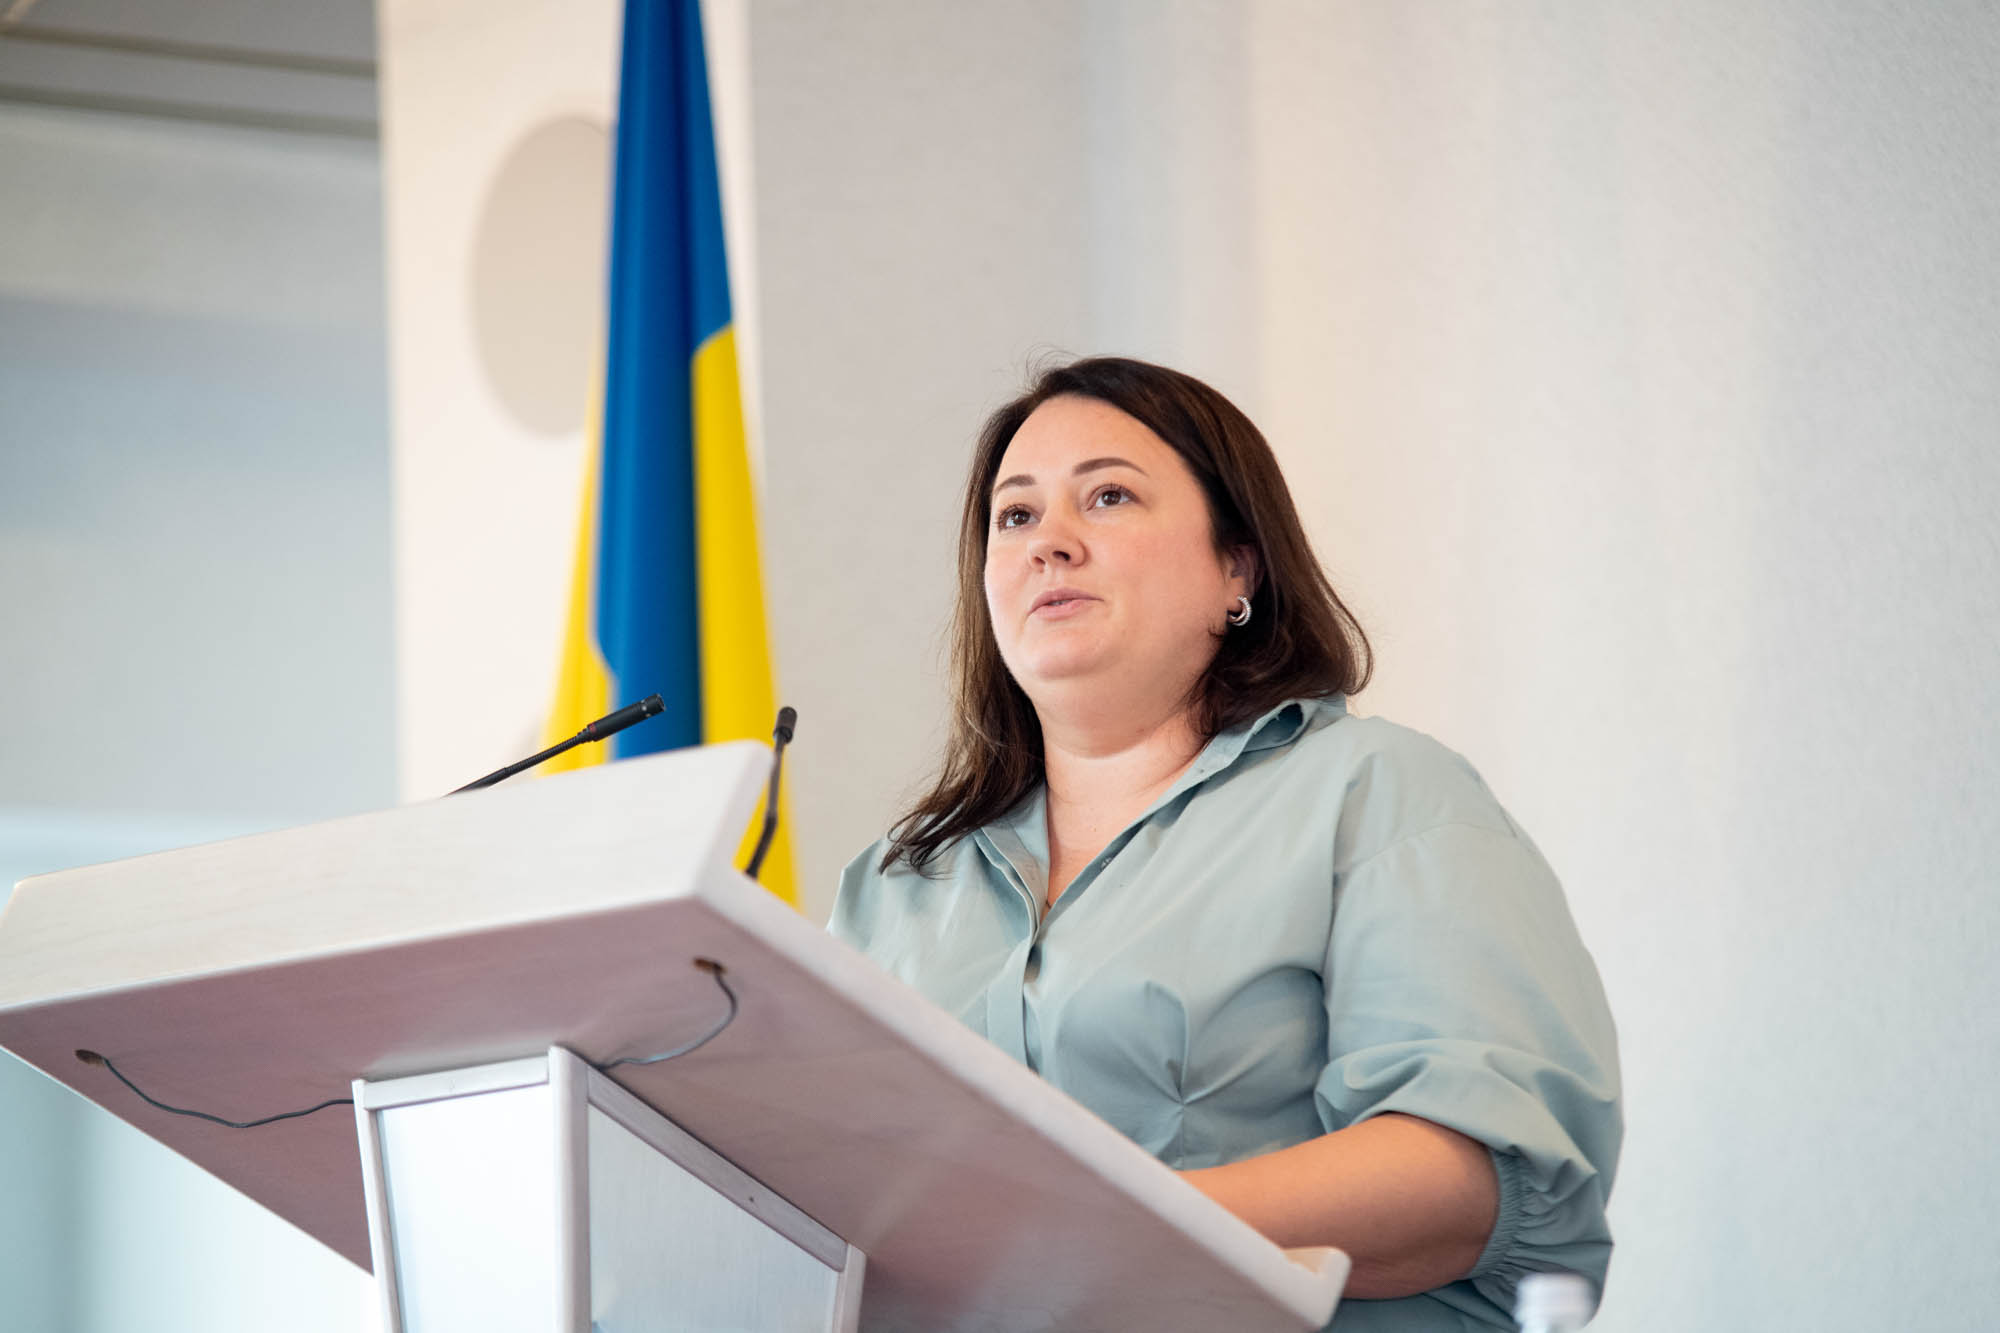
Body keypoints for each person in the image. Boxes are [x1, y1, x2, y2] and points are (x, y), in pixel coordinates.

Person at [830, 356, 1620, 1331]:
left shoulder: (1375, 792)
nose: (1049, 544)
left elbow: (1470, 1178)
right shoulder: (893, 885)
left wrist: (1091, 1229)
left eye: (1107, 496)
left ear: (1236, 569)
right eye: (1016, 515)